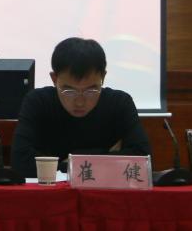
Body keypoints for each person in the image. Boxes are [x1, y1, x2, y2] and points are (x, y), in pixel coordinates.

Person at [11, 37, 150, 177]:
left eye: (91, 91)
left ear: (103, 77)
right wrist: (107, 156)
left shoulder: (119, 103)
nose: (80, 102)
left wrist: (67, 163)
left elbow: (143, 160)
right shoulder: (38, 102)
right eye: (69, 91)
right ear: (54, 79)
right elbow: (20, 163)